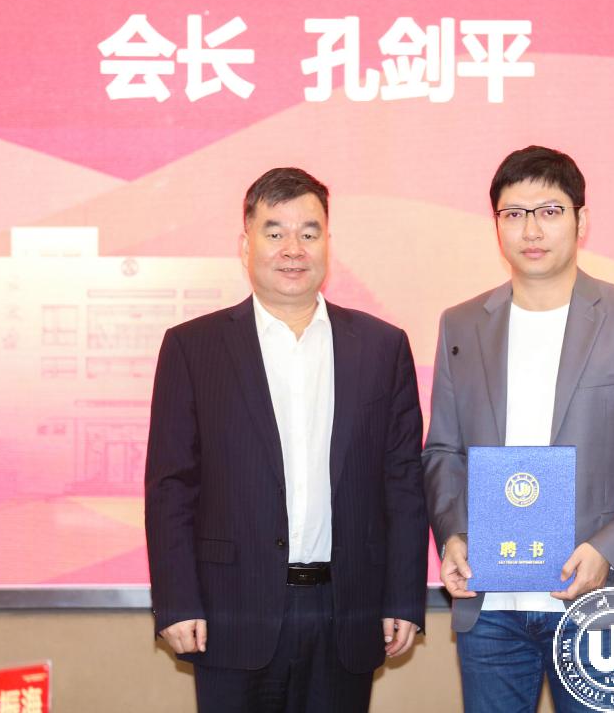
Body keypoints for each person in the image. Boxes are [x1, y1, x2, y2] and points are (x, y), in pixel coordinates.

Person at [422, 146, 614, 711]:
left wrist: (608, 549)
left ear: (581, 220)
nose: (531, 230)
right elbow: (443, 450)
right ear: (496, 224)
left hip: (594, 597)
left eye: (549, 211)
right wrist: (452, 535)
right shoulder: (462, 324)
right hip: (489, 605)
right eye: (514, 214)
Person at [145, 167, 428, 713]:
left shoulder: (381, 347)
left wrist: (403, 597)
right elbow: (170, 486)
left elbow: (403, 482)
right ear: (245, 245)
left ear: (327, 243)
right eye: (274, 232)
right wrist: (177, 600)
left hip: (347, 610)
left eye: (309, 232)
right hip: (230, 612)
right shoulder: (192, 347)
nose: (292, 249)